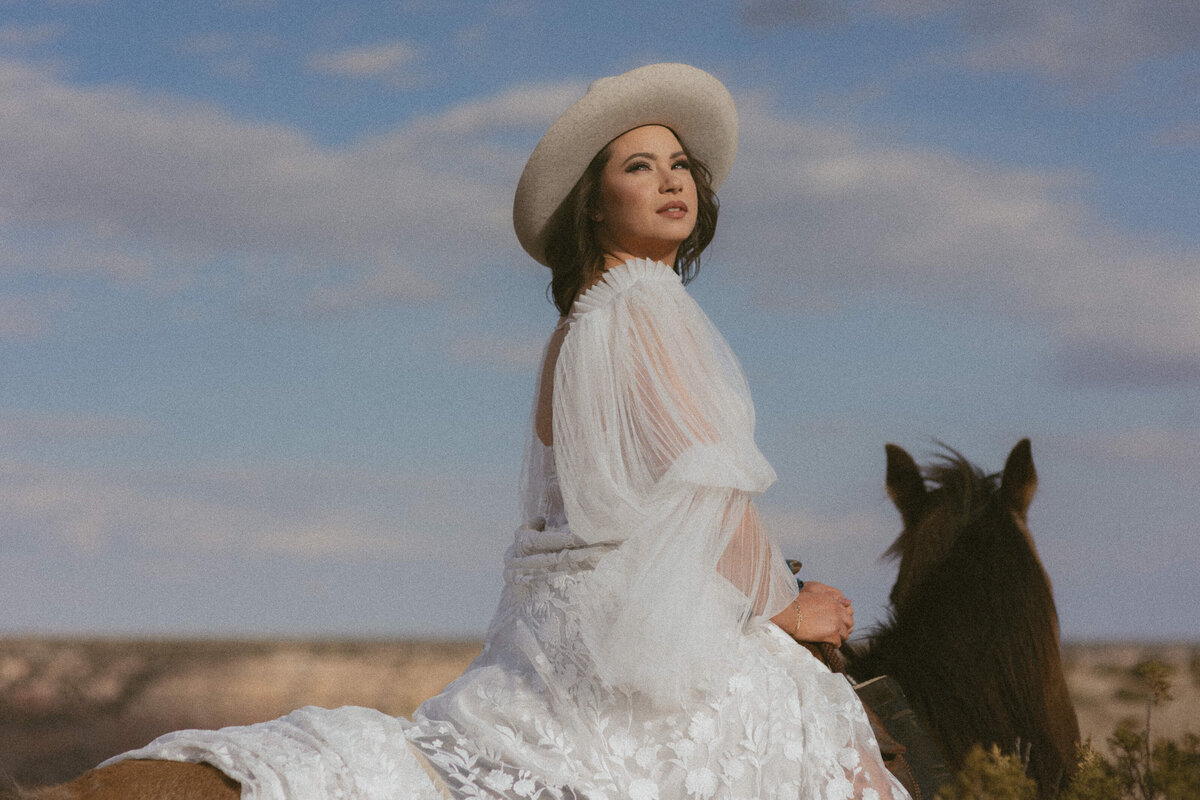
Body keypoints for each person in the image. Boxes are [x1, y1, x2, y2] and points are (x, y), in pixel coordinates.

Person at [64, 63, 910, 800]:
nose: (671, 179)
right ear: (594, 200)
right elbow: (705, 480)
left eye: (680, 164)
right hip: (635, 637)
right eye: (639, 166)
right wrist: (784, 606)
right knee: (823, 725)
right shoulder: (649, 304)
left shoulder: (578, 326)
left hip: (558, 636)